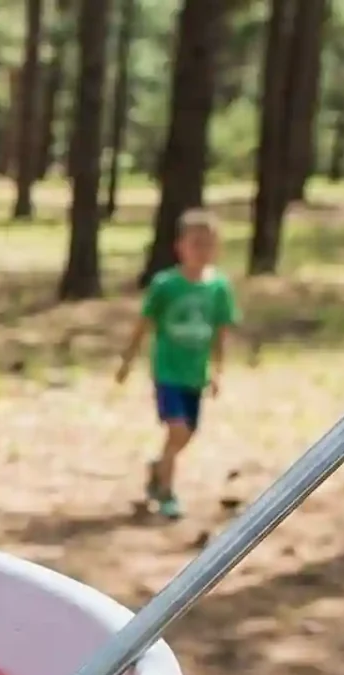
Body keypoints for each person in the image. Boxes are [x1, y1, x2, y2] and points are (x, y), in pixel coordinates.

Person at [117, 209, 238, 521]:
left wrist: (217, 371)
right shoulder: (165, 285)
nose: (202, 251)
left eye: (209, 244)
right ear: (180, 246)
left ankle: (159, 468)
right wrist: (127, 362)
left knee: (187, 434)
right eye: (195, 243)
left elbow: (221, 331)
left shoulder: (219, 288)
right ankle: (166, 493)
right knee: (177, 428)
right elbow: (143, 324)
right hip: (168, 371)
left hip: (195, 374)